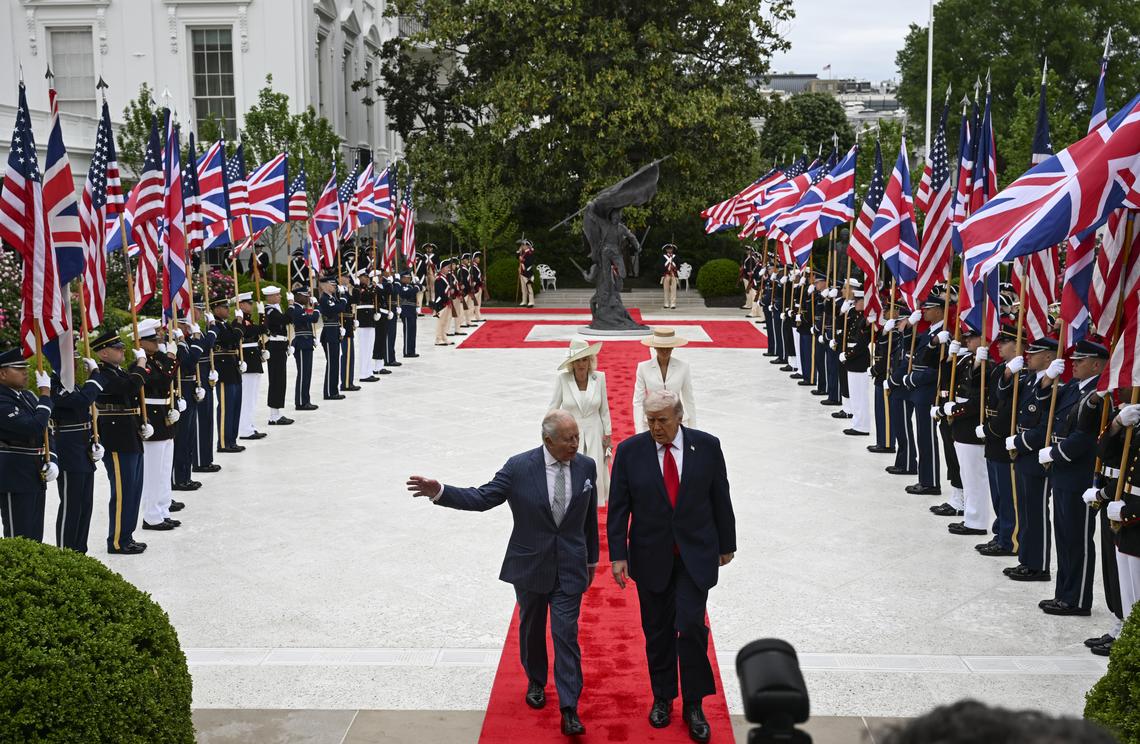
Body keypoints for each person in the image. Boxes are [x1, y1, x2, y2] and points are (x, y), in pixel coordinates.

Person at [407, 410, 599, 737]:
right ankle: (536, 680)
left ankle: (569, 708)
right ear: (547, 440)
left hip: (569, 565)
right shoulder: (519, 467)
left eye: (577, 437)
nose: (575, 444)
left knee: (565, 634)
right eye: (568, 439)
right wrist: (440, 491)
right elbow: (482, 498)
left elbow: (589, 518)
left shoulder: (586, 466)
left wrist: (591, 560)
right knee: (532, 627)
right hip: (530, 566)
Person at [608, 389, 736, 743]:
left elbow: (720, 496)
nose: (656, 428)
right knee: (658, 632)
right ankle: (663, 697)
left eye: (662, 420)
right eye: (650, 421)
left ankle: (694, 704)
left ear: (679, 416)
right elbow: (619, 507)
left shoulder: (707, 447)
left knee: (691, 626)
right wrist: (618, 554)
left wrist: (727, 544)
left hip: (695, 556)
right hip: (650, 557)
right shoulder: (631, 452)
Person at [1038, 338, 1109, 615]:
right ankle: (1063, 593)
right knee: (1065, 537)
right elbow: (1047, 406)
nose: (1073, 364)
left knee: (1078, 539)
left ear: (1096, 364)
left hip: (1079, 472)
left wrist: (1056, 453)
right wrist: (1046, 380)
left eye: (1080, 361)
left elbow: (1087, 437)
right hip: (1063, 472)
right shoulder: (1072, 388)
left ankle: (1077, 599)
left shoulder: (1100, 393)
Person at [91, 329, 149, 554]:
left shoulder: (118, 371)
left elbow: (131, 383)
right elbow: (130, 386)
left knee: (134, 489)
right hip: (117, 438)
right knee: (123, 492)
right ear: (103, 353)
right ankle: (116, 541)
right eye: (116, 348)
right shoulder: (101, 375)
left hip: (130, 433)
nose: (121, 350)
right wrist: (141, 362)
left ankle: (127, 535)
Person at [50, 352, 106, 552]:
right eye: (70, 357)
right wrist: (96, 374)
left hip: (82, 450)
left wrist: (93, 440)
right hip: (67, 452)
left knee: (85, 505)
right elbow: (82, 400)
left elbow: (85, 415)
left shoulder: (73, 385)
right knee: (71, 505)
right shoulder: (53, 386)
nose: (74, 362)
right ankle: (66, 551)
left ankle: (80, 550)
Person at [0, 347, 56, 542]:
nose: (25, 372)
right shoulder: (2, 400)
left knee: (35, 535)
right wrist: (45, 393)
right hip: (13, 474)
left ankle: (33, 573)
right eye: (18, 368)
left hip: (34, 471)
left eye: (25, 368)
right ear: (2, 373)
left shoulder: (27, 396)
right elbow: (33, 427)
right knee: (19, 537)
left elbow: (47, 429)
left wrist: (53, 459)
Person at [549, 340, 612, 504]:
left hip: (595, 431)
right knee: (571, 470)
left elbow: (604, 409)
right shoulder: (563, 379)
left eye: (585, 359)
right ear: (572, 363)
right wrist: (549, 434)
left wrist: (608, 434)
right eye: (578, 360)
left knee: (595, 468)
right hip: (569, 434)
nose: (581, 364)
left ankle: (593, 503)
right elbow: (553, 408)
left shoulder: (599, 378)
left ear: (590, 360)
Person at [633, 327, 696, 434]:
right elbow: (638, 401)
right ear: (654, 347)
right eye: (661, 347)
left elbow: (688, 399)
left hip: (678, 422)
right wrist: (639, 430)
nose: (665, 351)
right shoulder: (643, 367)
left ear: (673, 347)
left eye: (669, 347)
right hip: (652, 423)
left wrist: (694, 430)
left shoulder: (683, 367)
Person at [236, 293, 269, 440]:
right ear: (241, 305)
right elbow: (258, 330)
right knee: (247, 398)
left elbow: (260, 331)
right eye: (248, 303)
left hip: (253, 359)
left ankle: (249, 425)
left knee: (253, 397)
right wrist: (262, 315)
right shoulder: (239, 322)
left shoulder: (248, 320)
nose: (251, 305)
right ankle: (244, 429)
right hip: (247, 361)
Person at [262, 286, 294, 425]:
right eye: (277, 295)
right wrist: (291, 305)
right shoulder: (270, 311)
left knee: (280, 381)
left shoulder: (275, 309)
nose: (280, 297)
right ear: (270, 297)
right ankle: (273, 415)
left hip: (280, 346)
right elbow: (285, 319)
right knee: (276, 380)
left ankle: (276, 413)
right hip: (275, 348)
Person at [290, 286, 320, 410]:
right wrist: (317, 306)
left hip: (306, 343)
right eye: (305, 295)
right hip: (301, 344)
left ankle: (305, 399)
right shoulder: (296, 310)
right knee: (303, 374)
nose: (307, 297)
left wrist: (312, 337)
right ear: (298, 296)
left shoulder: (301, 309)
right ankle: (301, 402)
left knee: (307, 373)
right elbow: (314, 318)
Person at [318, 274, 348, 400]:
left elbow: (338, 308)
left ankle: (333, 390)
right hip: (329, 333)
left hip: (334, 331)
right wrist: (344, 299)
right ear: (325, 286)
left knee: (335, 362)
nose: (335, 286)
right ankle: (330, 392)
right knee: (332, 362)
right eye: (332, 284)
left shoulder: (333, 298)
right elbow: (336, 309)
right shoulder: (324, 299)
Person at [398, 270, 420, 358]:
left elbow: (421, 287)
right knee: (407, 332)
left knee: (412, 331)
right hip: (406, 311)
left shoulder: (411, 286)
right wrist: (416, 288)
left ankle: (412, 350)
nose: (409, 279)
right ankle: (407, 351)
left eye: (409, 278)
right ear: (402, 278)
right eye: (407, 278)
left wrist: (417, 283)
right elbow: (406, 294)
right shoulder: (401, 286)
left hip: (412, 310)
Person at [660, 244, 680, 309]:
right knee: (666, 290)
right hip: (666, 274)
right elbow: (660, 266)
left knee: (673, 289)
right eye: (668, 249)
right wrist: (666, 269)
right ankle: (666, 303)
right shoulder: (663, 257)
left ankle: (673, 304)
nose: (669, 250)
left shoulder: (675, 257)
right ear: (666, 250)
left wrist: (674, 267)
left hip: (673, 274)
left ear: (672, 250)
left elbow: (678, 265)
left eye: (671, 249)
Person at [518, 238, 536, 307]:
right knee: (523, 288)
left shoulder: (530, 252)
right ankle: (524, 301)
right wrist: (519, 252)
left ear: (528, 246)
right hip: (522, 272)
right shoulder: (523, 253)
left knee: (529, 287)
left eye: (524, 245)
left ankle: (531, 302)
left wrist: (522, 260)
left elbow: (529, 262)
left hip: (528, 272)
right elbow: (517, 257)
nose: (522, 246)